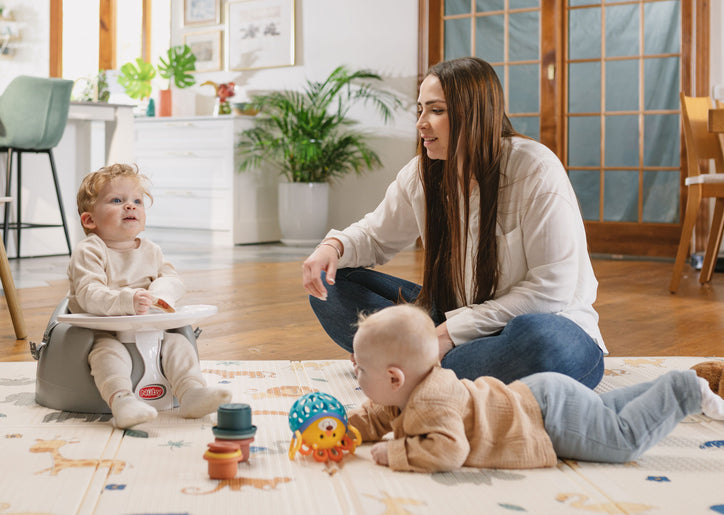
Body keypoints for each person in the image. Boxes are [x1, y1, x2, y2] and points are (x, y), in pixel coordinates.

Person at [302, 56, 605, 388]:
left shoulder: (534, 169)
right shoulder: (422, 174)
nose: (421, 123)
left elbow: (551, 290)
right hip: (452, 317)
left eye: (436, 110)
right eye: (419, 110)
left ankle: (405, 361)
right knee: (331, 284)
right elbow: (376, 236)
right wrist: (333, 246)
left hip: (534, 325)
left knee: (546, 344)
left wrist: (445, 335)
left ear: (474, 113)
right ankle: (425, 363)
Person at [347, 304, 724, 473]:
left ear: (396, 377)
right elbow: (379, 412)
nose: (357, 374)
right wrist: (349, 429)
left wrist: (395, 453)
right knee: (604, 411)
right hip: (539, 396)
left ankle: (679, 391)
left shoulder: (432, 403)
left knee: (621, 440)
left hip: (547, 421)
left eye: (361, 369)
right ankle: (658, 388)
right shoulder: (414, 387)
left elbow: (449, 450)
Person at [67, 163, 231, 429]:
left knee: (179, 345)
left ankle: (191, 394)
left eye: (137, 201)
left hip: (149, 329)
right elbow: (88, 294)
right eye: (117, 200)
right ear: (90, 220)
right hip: (102, 332)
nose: (130, 206)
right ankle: (122, 401)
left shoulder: (152, 251)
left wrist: (159, 294)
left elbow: (174, 280)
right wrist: (126, 300)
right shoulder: (89, 251)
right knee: (107, 354)